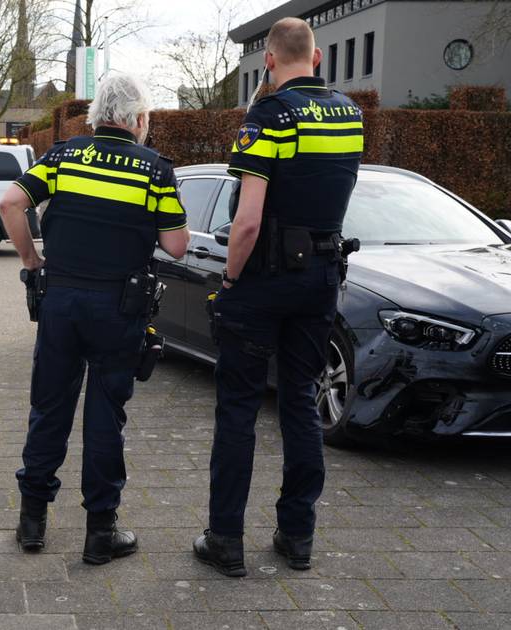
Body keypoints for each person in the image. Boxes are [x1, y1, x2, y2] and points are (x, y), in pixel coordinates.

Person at [194, 17, 364, 577]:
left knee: (239, 407)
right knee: (300, 403)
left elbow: (246, 222)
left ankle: (226, 541)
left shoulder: (267, 116)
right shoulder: (350, 115)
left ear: (268, 60)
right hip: (321, 277)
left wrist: (231, 281)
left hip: (264, 277)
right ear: (317, 59)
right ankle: (297, 536)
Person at [0, 73, 190, 565]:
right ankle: (100, 533)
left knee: (49, 409)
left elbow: (10, 203)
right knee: (106, 417)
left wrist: (30, 259)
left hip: (60, 301)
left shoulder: (62, 156)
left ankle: (32, 523)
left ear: (97, 114)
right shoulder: (154, 170)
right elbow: (176, 245)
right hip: (118, 309)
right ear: (139, 120)